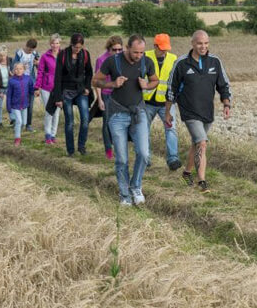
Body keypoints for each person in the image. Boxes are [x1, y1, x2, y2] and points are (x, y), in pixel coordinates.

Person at [92, 34, 159, 206]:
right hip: (117, 114)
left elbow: (155, 81)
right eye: (135, 52)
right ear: (127, 48)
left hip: (139, 112)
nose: (139, 56)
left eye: (142, 52)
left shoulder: (146, 61)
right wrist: (112, 84)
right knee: (121, 158)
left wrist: (147, 85)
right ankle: (124, 195)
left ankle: (136, 186)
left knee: (144, 153)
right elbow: (95, 80)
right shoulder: (113, 62)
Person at [165, 30, 232, 193]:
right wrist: (168, 112)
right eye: (200, 43)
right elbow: (171, 88)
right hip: (189, 111)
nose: (203, 46)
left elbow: (223, 85)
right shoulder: (181, 63)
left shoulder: (215, 62)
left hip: (207, 111)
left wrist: (226, 104)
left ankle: (187, 173)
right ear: (193, 43)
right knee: (202, 142)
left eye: (206, 43)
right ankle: (202, 181)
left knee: (196, 144)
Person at [48, 33, 93, 157]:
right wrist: (58, 98)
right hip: (66, 91)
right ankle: (70, 150)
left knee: (85, 119)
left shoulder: (85, 54)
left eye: (79, 47)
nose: (77, 50)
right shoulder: (63, 54)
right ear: (71, 44)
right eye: (75, 47)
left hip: (80, 90)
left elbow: (89, 72)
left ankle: (81, 146)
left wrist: (88, 87)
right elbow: (57, 77)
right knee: (70, 122)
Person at [143, 34, 182, 171]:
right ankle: (145, 159)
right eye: (161, 48)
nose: (164, 51)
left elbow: (178, 80)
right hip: (147, 102)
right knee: (144, 130)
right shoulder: (144, 56)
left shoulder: (173, 59)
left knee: (171, 129)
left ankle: (173, 159)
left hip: (167, 104)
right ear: (155, 46)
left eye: (166, 48)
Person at [93, 35, 124, 160]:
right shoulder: (101, 60)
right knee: (106, 122)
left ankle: (118, 147)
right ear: (108, 49)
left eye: (119, 50)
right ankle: (108, 149)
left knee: (118, 122)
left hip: (119, 94)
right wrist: (99, 99)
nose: (117, 52)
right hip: (106, 94)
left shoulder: (123, 59)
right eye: (114, 50)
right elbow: (96, 81)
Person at [34, 33, 61, 145]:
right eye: (53, 43)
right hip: (46, 88)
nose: (55, 45)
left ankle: (54, 135)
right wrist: (37, 87)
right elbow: (40, 72)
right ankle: (47, 135)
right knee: (49, 112)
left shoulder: (63, 55)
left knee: (57, 112)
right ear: (50, 44)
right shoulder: (45, 56)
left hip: (59, 88)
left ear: (60, 44)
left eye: (57, 43)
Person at [11, 38, 39, 132]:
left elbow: (39, 67)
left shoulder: (35, 53)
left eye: (32, 50)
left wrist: (37, 64)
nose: (30, 51)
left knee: (30, 104)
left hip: (31, 81)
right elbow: (14, 66)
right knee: (19, 102)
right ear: (26, 46)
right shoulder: (19, 53)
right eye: (29, 49)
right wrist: (21, 66)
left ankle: (28, 124)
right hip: (20, 81)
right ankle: (18, 122)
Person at [7, 62, 35, 146]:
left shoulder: (28, 78)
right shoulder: (11, 81)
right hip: (15, 105)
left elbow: (31, 90)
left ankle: (16, 128)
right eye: (16, 69)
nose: (18, 70)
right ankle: (17, 139)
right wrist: (8, 107)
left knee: (24, 123)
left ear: (24, 70)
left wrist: (35, 91)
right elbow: (9, 95)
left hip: (25, 105)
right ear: (14, 70)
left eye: (20, 69)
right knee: (19, 121)